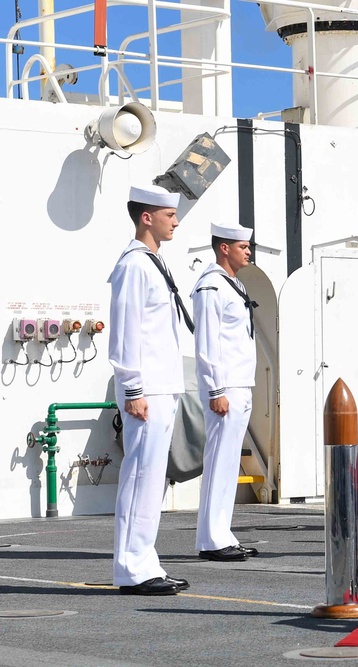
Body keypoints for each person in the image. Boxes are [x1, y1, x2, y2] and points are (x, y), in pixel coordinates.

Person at [108, 185, 190, 596]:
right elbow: (125, 334)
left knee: (152, 478)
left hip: (162, 387)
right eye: (168, 214)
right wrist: (134, 389)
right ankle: (132, 566)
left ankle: (145, 560)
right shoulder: (134, 266)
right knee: (140, 477)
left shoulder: (154, 262)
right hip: (147, 390)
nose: (175, 221)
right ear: (147, 217)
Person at [192, 222, 258, 563]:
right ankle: (211, 539)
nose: (248, 251)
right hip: (225, 386)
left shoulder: (233, 284)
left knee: (230, 463)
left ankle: (222, 533)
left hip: (240, 384)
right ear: (224, 248)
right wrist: (216, 388)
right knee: (219, 461)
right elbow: (207, 343)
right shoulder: (211, 287)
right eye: (242, 246)